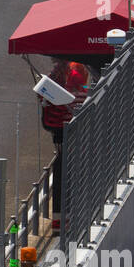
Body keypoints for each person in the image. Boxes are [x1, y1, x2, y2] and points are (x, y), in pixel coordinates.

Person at [40, 58, 90, 213]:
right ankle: (68, 210)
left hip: (55, 127)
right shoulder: (75, 76)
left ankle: (58, 213)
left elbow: (44, 99)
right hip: (69, 128)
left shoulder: (53, 76)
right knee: (70, 168)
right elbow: (80, 96)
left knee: (61, 165)